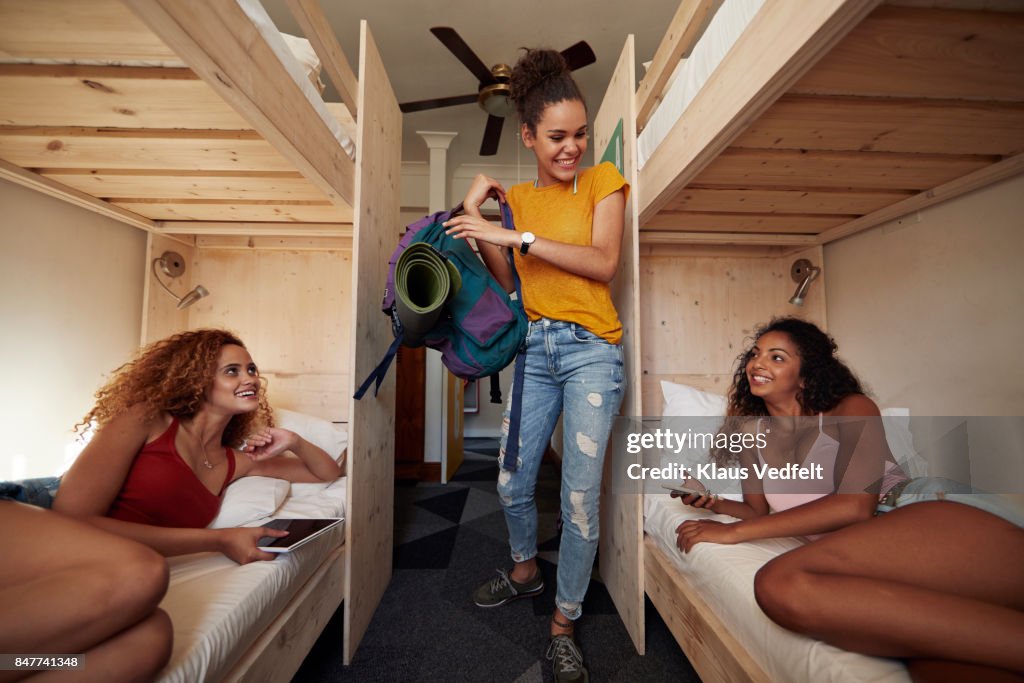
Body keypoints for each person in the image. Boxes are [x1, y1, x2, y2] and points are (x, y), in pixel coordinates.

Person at [671, 317, 1024, 681]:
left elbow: (855, 507)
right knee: (938, 669)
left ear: (806, 373)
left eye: (776, 357)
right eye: (755, 354)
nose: (757, 364)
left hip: (917, 515)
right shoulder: (751, 433)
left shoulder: (850, 409)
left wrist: (733, 534)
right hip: (869, 555)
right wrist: (712, 502)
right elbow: (756, 510)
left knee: (781, 582)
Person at [443, 47, 628, 681]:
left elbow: (603, 264)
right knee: (510, 481)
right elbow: (513, 286)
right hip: (535, 351)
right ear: (528, 135)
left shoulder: (604, 181)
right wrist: (475, 216)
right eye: (556, 136)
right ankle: (524, 571)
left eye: (579, 134)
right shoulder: (517, 196)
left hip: (591, 353)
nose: (571, 146)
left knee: (577, 498)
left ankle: (564, 620)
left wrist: (515, 235)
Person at [53, 329, 343, 565]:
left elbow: (326, 474)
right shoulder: (146, 419)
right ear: (197, 380)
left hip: (135, 568)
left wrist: (295, 441)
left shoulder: (235, 461)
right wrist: (218, 539)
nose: (250, 378)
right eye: (232, 371)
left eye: (251, 369)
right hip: (74, 552)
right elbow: (70, 520)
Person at [1, 501, 172, 682]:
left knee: (147, 641)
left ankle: (10, 663)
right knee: (141, 574)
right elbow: (77, 509)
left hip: (17, 661)